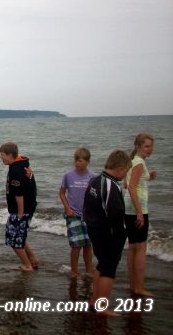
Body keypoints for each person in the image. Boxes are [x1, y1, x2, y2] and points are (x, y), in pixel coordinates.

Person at [83, 149, 131, 316]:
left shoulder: (95, 180)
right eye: (126, 171)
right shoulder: (110, 185)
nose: (125, 175)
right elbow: (115, 213)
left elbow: (86, 206)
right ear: (120, 168)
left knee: (101, 264)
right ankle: (102, 307)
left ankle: (95, 300)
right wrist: (121, 234)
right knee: (108, 269)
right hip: (107, 233)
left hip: (94, 229)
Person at [124, 133, 157, 297]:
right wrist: (139, 212)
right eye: (146, 146)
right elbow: (131, 187)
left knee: (133, 247)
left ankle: (133, 285)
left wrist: (148, 177)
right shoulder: (138, 163)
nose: (150, 149)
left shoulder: (132, 162)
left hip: (128, 208)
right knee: (140, 248)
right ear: (137, 146)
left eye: (151, 146)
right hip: (137, 209)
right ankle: (139, 288)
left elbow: (126, 183)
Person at [58, 146, 96, 279]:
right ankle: (74, 271)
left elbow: (95, 196)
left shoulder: (93, 177)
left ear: (87, 161)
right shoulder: (68, 176)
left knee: (88, 244)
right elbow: (62, 193)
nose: (77, 163)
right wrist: (67, 208)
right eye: (76, 160)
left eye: (80, 160)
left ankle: (89, 270)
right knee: (76, 244)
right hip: (73, 215)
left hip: (88, 216)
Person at [1, 142, 39, 271]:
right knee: (19, 236)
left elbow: (18, 193)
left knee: (13, 238)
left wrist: (20, 213)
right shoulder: (22, 165)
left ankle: (27, 265)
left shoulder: (16, 169)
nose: (1, 157)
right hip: (26, 208)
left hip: (22, 210)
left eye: (2, 155)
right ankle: (32, 259)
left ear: (10, 155)